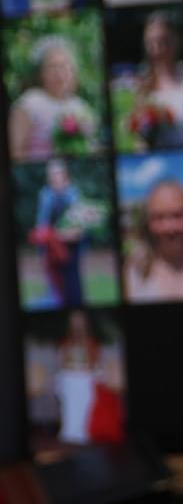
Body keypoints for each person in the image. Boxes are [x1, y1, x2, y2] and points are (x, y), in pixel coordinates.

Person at [119, 11, 183, 149]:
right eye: (151, 43)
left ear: (177, 41)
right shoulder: (143, 86)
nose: (157, 50)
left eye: (163, 41)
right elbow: (140, 140)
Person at [123, 178, 183, 302]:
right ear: (147, 222)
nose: (169, 228)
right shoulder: (134, 270)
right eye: (159, 217)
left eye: (178, 215)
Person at [8, 34, 99, 162]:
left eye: (64, 66)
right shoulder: (29, 103)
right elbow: (15, 152)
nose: (59, 73)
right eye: (53, 67)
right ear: (42, 73)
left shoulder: (80, 105)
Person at [30, 158, 85, 308]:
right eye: (52, 175)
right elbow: (42, 222)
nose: (55, 178)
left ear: (65, 176)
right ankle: (55, 297)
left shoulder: (73, 192)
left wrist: (66, 232)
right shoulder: (45, 194)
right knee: (52, 277)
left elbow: (78, 222)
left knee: (72, 278)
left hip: (71, 243)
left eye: (58, 174)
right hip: (52, 242)